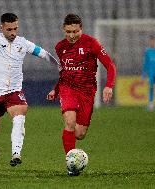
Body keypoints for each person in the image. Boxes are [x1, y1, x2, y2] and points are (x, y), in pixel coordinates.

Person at [0, 13, 58, 166]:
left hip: (13, 91)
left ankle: (16, 153)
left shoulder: (23, 43)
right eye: (9, 29)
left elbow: (43, 53)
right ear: (2, 27)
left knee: (20, 115)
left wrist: (60, 66)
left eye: (15, 29)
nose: (13, 33)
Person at [46, 14, 116, 176]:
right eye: (68, 32)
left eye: (75, 31)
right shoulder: (60, 47)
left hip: (87, 91)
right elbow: (64, 72)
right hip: (68, 88)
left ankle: (73, 159)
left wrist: (108, 86)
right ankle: (71, 165)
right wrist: (56, 90)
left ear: (81, 29)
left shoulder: (92, 43)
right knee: (69, 123)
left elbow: (110, 65)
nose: (71, 36)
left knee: (79, 134)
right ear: (64, 29)